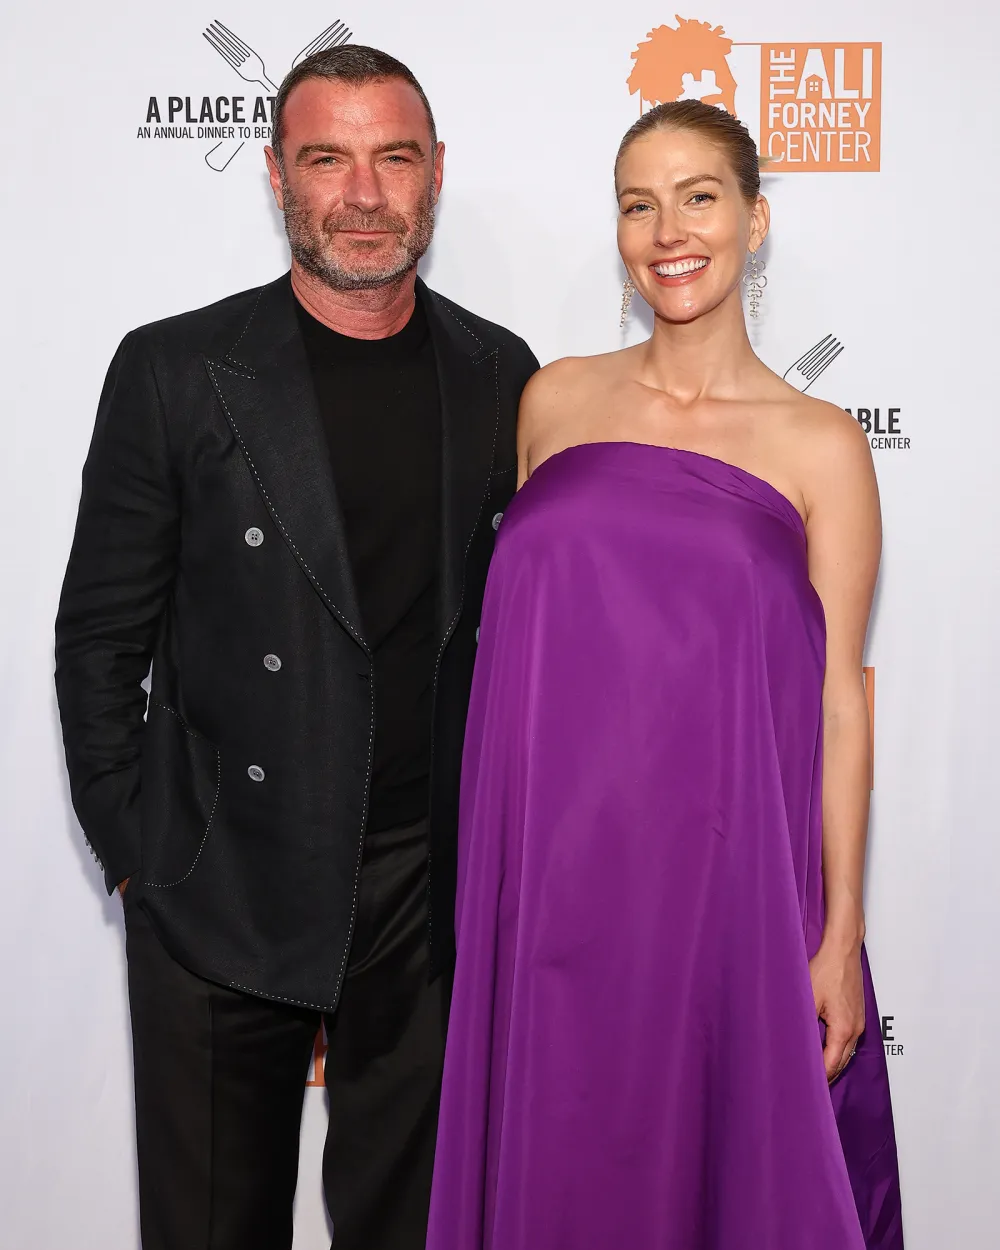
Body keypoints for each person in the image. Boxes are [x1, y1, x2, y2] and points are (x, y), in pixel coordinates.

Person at [54, 45, 537, 1250]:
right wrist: (140, 855)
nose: (362, 193)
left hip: (424, 896)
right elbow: (100, 635)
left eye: (393, 158)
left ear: (435, 175)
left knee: (407, 1227)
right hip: (222, 875)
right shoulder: (174, 369)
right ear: (276, 175)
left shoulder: (503, 373)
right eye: (328, 158)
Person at [425, 100, 903, 1249]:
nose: (666, 229)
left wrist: (838, 936)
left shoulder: (819, 443)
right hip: (546, 881)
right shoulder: (553, 400)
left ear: (755, 220)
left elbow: (840, 702)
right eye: (638, 204)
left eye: (698, 196)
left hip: (724, 889)